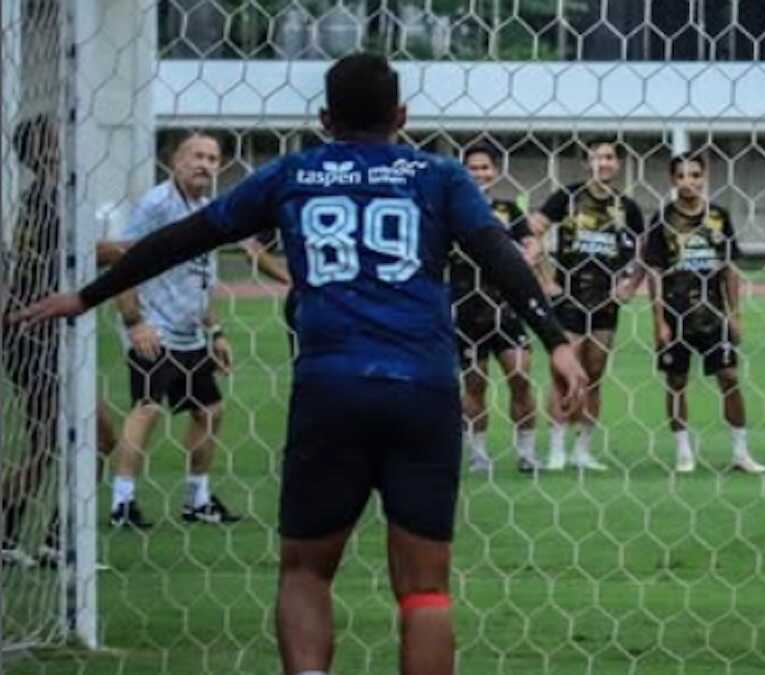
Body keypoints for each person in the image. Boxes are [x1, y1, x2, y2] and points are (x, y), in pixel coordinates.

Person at [10, 53, 586, 675]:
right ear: (402, 116)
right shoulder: (437, 176)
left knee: (307, 570)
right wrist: (554, 339)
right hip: (421, 390)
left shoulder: (293, 174)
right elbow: (498, 253)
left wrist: (86, 296)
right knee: (424, 589)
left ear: (323, 118)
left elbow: (181, 238)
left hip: (330, 389)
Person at [108, 133, 242, 528]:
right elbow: (123, 260)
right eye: (196, 155)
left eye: (213, 158)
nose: (205, 164)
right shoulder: (157, 204)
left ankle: (197, 501)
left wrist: (215, 330)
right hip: (154, 325)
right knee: (147, 407)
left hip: (188, 330)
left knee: (210, 411)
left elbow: (202, 278)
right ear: (174, 161)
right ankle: (122, 503)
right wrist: (135, 322)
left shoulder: (205, 209)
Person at [1, 114, 117, 568]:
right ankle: (25, 535)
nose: (67, 143)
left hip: (44, 335)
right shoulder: (49, 198)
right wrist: (143, 248)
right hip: (40, 335)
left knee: (87, 439)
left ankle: (54, 538)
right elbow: (85, 251)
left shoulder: (49, 197)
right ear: (43, 150)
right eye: (57, 138)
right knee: (57, 444)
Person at [526, 137, 646, 471]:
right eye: (596, 157)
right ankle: (556, 449)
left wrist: (631, 284)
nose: (603, 163)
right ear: (586, 163)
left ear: (618, 163)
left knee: (594, 374)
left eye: (609, 157)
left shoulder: (628, 207)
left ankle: (583, 450)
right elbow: (531, 230)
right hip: (568, 297)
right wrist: (545, 279)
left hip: (606, 303)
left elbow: (646, 250)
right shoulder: (566, 197)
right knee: (565, 374)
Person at [644, 154, 764, 473]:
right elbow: (654, 273)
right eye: (681, 175)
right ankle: (684, 453)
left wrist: (735, 315)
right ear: (672, 180)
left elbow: (729, 270)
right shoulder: (661, 220)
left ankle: (741, 453)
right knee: (676, 381)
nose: (689, 181)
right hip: (675, 315)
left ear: (704, 176)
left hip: (713, 316)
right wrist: (658, 322)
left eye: (695, 175)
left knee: (729, 378)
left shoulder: (719, 217)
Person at [450, 144, 541, 473]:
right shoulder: (451, 209)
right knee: (474, 384)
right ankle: (478, 455)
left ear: (496, 171)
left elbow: (531, 241)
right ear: (463, 173)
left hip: (505, 306)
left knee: (520, 377)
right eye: (472, 168)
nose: (479, 174)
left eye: (485, 168)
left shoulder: (507, 209)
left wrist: (528, 256)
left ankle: (528, 453)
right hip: (465, 308)